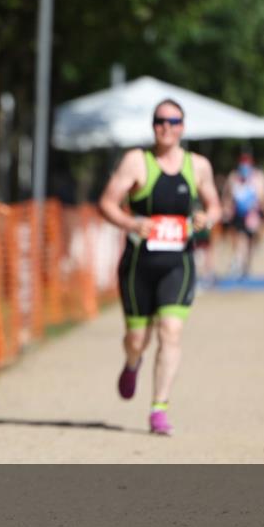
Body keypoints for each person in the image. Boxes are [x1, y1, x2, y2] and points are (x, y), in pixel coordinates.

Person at [98, 99, 221, 435]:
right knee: (137, 339)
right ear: (153, 125)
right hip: (139, 265)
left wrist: (206, 218)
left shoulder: (198, 166)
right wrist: (130, 222)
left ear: (183, 126)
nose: (166, 127)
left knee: (171, 332)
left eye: (173, 121)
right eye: (160, 121)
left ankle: (159, 409)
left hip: (178, 264)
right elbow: (106, 203)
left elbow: (215, 206)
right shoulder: (136, 161)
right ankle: (132, 362)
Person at [224, 154, 264, 279]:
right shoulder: (234, 177)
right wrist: (228, 208)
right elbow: (228, 195)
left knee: (250, 240)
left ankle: (247, 264)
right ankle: (239, 261)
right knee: (239, 238)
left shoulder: (258, 177)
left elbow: (263, 196)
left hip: (252, 214)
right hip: (238, 214)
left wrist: (257, 208)